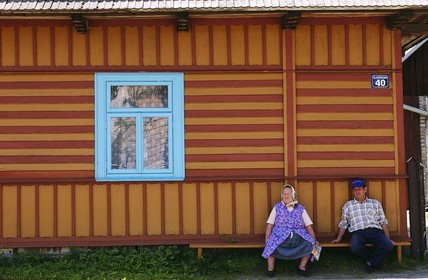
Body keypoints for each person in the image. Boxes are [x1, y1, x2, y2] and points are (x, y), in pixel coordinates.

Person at [331, 178, 395, 273]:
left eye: (359, 189)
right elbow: (343, 223)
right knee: (355, 248)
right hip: (358, 232)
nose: (357, 191)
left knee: (388, 245)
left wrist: (388, 238)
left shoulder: (375, 203)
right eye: (355, 189)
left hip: (375, 231)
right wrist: (339, 239)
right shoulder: (348, 205)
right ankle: (371, 261)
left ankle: (371, 263)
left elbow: (383, 222)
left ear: (365, 189)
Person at [262, 184, 318, 278]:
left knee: (311, 243)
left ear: (293, 195)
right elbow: (269, 225)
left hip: (298, 237)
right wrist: (267, 240)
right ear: (281, 195)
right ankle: (270, 269)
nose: (286, 196)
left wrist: (314, 240)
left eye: (288, 194)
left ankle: (302, 267)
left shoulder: (300, 209)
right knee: (270, 243)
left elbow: (308, 226)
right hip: (280, 238)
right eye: (284, 194)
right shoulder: (277, 208)